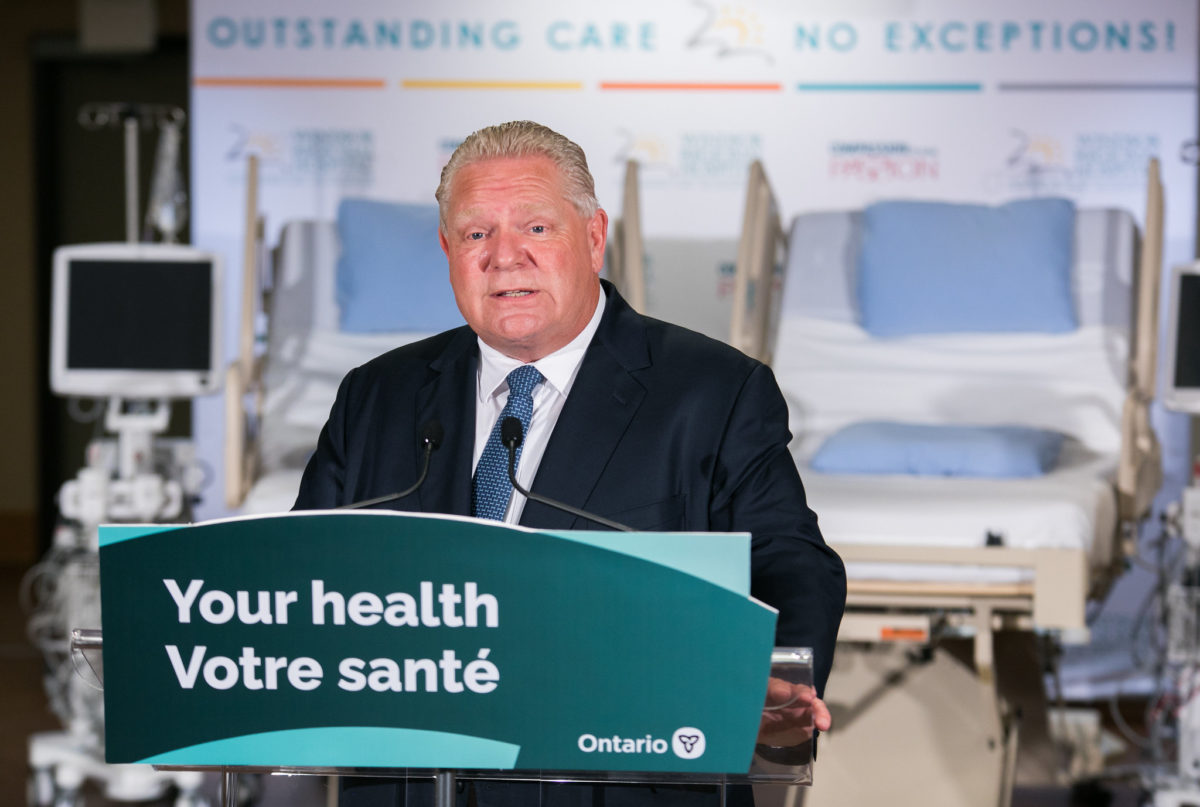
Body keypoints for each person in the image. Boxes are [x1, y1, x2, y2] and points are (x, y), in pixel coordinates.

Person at [294, 120, 845, 806]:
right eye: (475, 234)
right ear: (446, 249)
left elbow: (791, 558)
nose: (504, 256)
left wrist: (775, 670)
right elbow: (303, 589)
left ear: (592, 235)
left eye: (536, 228)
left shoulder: (714, 390)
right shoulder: (375, 395)